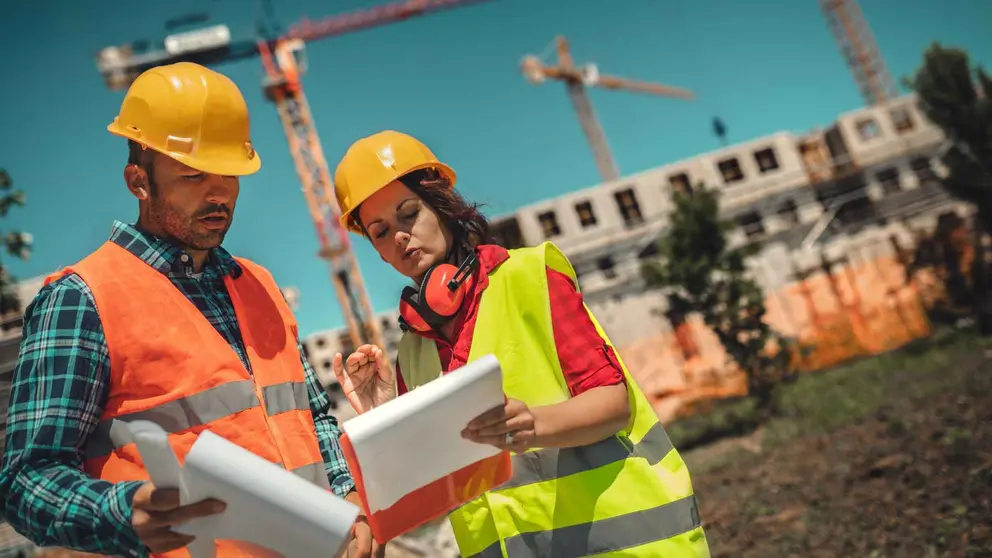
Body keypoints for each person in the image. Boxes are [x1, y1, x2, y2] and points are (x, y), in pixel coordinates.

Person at [0, 62, 383, 558]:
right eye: (193, 175)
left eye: (229, 173)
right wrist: (123, 511)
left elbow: (311, 417)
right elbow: (26, 480)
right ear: (138, 181)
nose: (218, 192)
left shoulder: (260, 285)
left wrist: (346, 496)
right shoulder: (81, 300)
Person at [329, 130, 710, 557]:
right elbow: (426, 492)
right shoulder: (413, 352)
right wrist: (383, 419)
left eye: (408, 213)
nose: (398, 236)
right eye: (380, 232)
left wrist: (534, 425)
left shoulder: (529, 278)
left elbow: (614, 403)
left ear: (441, 205)